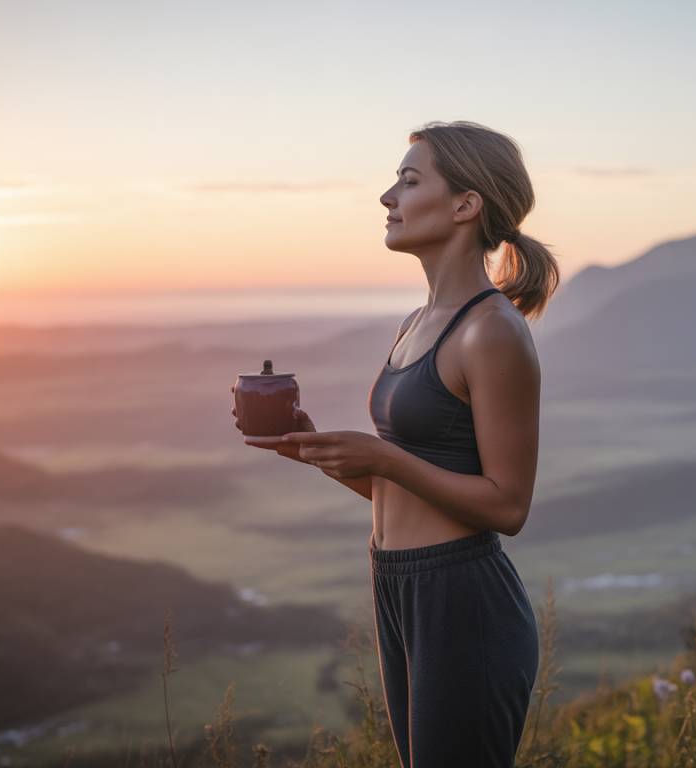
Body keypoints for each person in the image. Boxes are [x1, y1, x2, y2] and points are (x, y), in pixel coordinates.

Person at [234, 119, 560, 766]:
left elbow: (506, 506)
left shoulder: (490, 331)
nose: (388, 197)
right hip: (396, 582)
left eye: (409, 181)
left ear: (466, 206)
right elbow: (408, 489)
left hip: (462, 599)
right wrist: (322, 453)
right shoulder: (418, 323)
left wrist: (383, 455)